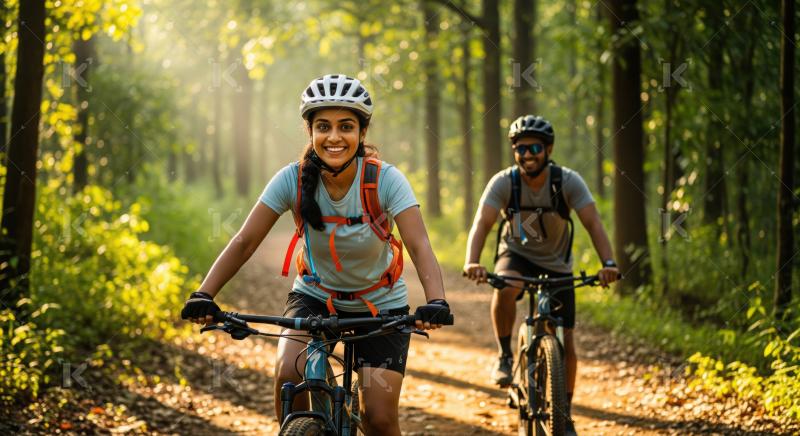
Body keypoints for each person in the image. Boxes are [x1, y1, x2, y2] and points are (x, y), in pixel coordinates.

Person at [181, 74, 451, 436]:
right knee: (288, 375)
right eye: (323, 126)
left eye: (346, 126)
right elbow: (245, 241)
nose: (334, 137)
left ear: (362, 133)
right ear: (310, 131)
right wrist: (204, 293)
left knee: (380, 420)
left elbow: (419, 245)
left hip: (381, 306)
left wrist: (437, 300)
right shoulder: (289, 179)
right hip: (314, 297)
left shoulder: (386, 180)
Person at [462, 114, 618, 435]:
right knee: (505, 287)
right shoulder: (505, 182)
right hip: (516, 255)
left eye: (534, 147)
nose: (527, 155)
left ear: (548, 149)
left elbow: (594, 223)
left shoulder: (567, 182)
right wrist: (472, 261)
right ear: (514, 152)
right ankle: (506, 356)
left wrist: (609, 263)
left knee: (567, 342)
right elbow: (482, 223)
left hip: (557, 263)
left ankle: (566, 413)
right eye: (520, 149)